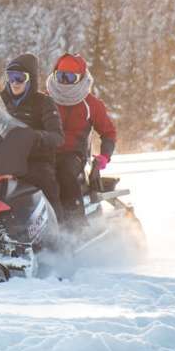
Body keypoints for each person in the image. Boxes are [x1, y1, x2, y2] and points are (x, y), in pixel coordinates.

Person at [46, 53, 117, 227]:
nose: (64, 81)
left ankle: (76, 225)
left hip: (73, 155)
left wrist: (103, 157)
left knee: (64, 173)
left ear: (81, 78)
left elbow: (109, 132)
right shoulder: (45, 100)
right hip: (46, 151)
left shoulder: (91, 104)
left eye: (70, 77)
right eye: (60, 76)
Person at [0, 53, 65, 220]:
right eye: (11, 77)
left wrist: (36, 136)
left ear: (30, 79)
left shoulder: (43, 102)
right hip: (2, 159)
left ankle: (60, 228)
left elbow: (57, 136)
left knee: (45, 180)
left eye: (20, 78)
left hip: (35, 159)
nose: (14, 83)